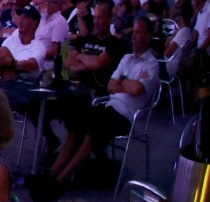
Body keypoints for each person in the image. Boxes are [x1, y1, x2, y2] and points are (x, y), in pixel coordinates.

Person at [44, 17, 160, 188]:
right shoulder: (127, 58)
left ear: (148, 36)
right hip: (108, 107)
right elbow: (110, 86)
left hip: (126, 116)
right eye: (133, 32)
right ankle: (52, 172)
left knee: (92, 130)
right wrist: (127, 83)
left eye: (139, 32)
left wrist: (122, 81)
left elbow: (136, 90)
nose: (134, 36)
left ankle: (61, 179)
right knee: (77, 120)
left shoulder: (152, 64)